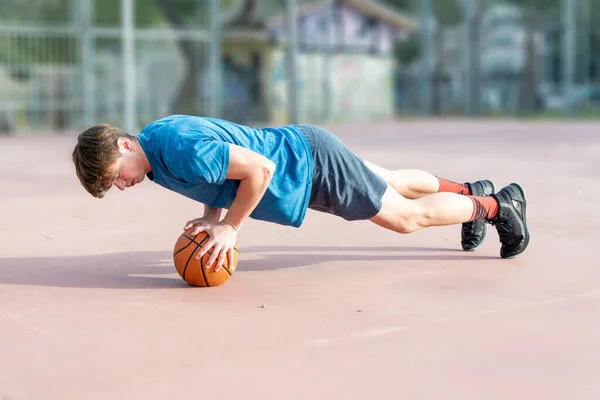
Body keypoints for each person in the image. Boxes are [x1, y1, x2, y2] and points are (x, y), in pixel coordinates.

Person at [72, 115, 529, 272]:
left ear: (123, 145)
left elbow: (259, 169)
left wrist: (230, 227)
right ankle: (471, 191)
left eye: (114, 174)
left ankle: (495, 207)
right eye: (112, 187)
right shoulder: (156, 149)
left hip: (307, 169)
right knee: (390, 180)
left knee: (406, 218)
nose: (120, 184)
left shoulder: (175, 149)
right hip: (305, 150)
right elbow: (217, 174)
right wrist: (213, 215)